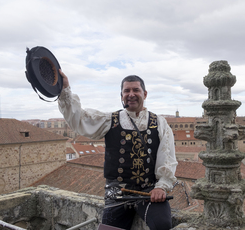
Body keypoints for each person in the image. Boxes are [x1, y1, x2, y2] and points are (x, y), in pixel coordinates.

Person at [57, 70, 178, 230]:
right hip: (117, 192)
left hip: (149, 191)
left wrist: (161, 186)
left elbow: (167, 156)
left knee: (162, 225)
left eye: (136, 90)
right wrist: (65, 90)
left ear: (145, 93)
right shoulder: (110, 120)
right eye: (126, 91)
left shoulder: (159, 123)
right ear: (121, 95)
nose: (131, 94)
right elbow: (79, 120)